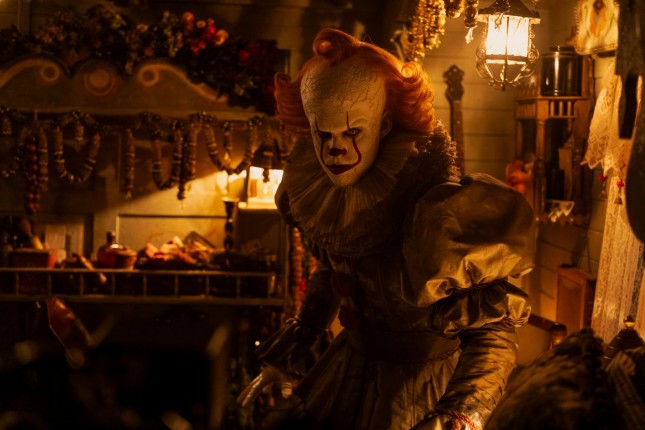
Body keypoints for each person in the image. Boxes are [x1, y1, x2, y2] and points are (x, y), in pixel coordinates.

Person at [238, 28, 536, 430]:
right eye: (322, 134)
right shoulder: (325, 196)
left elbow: (492, 331)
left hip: (424, 388)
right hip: (349, 369)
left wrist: (461, 413)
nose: (335, 149)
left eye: (352, 132)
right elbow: (334, 270)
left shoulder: (434, 211)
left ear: (383, 124)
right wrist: (295, 346)